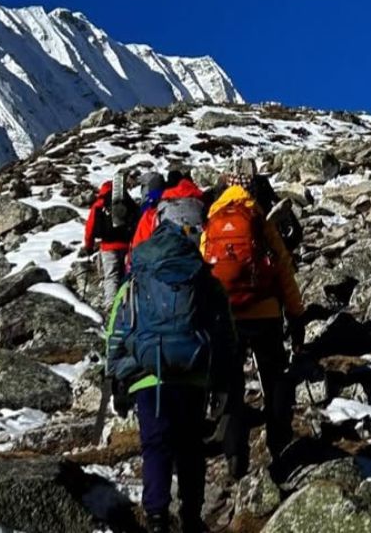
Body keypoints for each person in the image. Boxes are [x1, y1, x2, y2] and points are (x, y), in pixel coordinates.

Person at [106, 220, 236, 533]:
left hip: (148, 375)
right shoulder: (201, 278)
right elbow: (224, 333)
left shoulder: (137, 279)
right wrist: (220, 382)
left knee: (156, 447)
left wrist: (116, 379)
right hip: (193, 374)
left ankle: (156, 520)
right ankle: (191, 517)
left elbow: (117, 330)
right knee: (191, 446)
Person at [202, 180, 306, 480]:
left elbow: (202, 270)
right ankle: (279, 447)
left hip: (227, 317)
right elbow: (283, 268)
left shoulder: (213, 220)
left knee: (230, 386)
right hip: (265, 312)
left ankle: (235, 455)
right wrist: (296, 314)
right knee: (273, 380)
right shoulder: (258, 218)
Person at [83, 175, 140, 308]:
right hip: (127, 245)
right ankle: (127, 308)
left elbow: (90, 227)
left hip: (108, 246)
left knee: (111, 276)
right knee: (126, 276)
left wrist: (88, 245)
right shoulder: (127, 201)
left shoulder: (100, 203)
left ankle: (111, 307)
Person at [134, 170, 207, 249]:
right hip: (200, 257)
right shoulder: (206, 205)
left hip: (166, 258)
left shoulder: (153, 214)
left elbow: (138, 247)